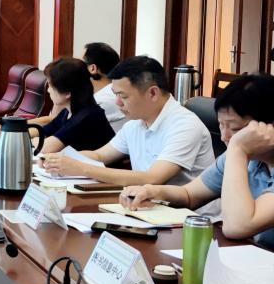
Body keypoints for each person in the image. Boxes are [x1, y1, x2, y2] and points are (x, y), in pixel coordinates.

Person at [120, 74, 274, 247]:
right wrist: (151, 191)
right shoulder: (241, 156)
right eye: (221, 125)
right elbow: (189, 195)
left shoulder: (238, 151)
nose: (224, 137)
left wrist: (238, 149)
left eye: (236, 129)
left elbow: (237, 227)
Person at [42, 56, 214, 187]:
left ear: (152, 93)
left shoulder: (184, 126)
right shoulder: (134, 124)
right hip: (146, 207)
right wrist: (60, 159)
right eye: (115, 95)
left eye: (123, 96)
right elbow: (100, 155)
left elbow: (153, 178)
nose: (117, 103)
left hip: (189, 217)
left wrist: (81, 168)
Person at [32, 58, 114, 153]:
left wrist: (34, 140)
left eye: (50, 86)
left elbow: (45, 148)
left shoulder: (88, 116)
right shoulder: (67, 111)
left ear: (67, 92)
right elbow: (44, 131)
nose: (48, 90)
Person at [83, 42, 127, 132]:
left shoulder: (104, 100)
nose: (74, 67)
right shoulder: (106, 93)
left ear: (92, 68)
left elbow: (65, 131)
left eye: (79, 63)